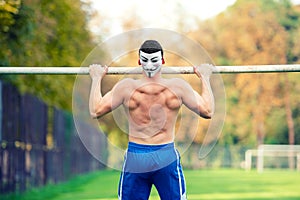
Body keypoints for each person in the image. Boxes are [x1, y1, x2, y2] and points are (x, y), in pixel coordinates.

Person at [89, 40, 214, 200]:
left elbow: (95, 110)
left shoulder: (126, 88)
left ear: (139, 61)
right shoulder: (177, 87)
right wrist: (205, 77)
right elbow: (207, 110)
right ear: (163, 61)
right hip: (165, 156)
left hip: (136, 158)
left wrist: (96, 78)